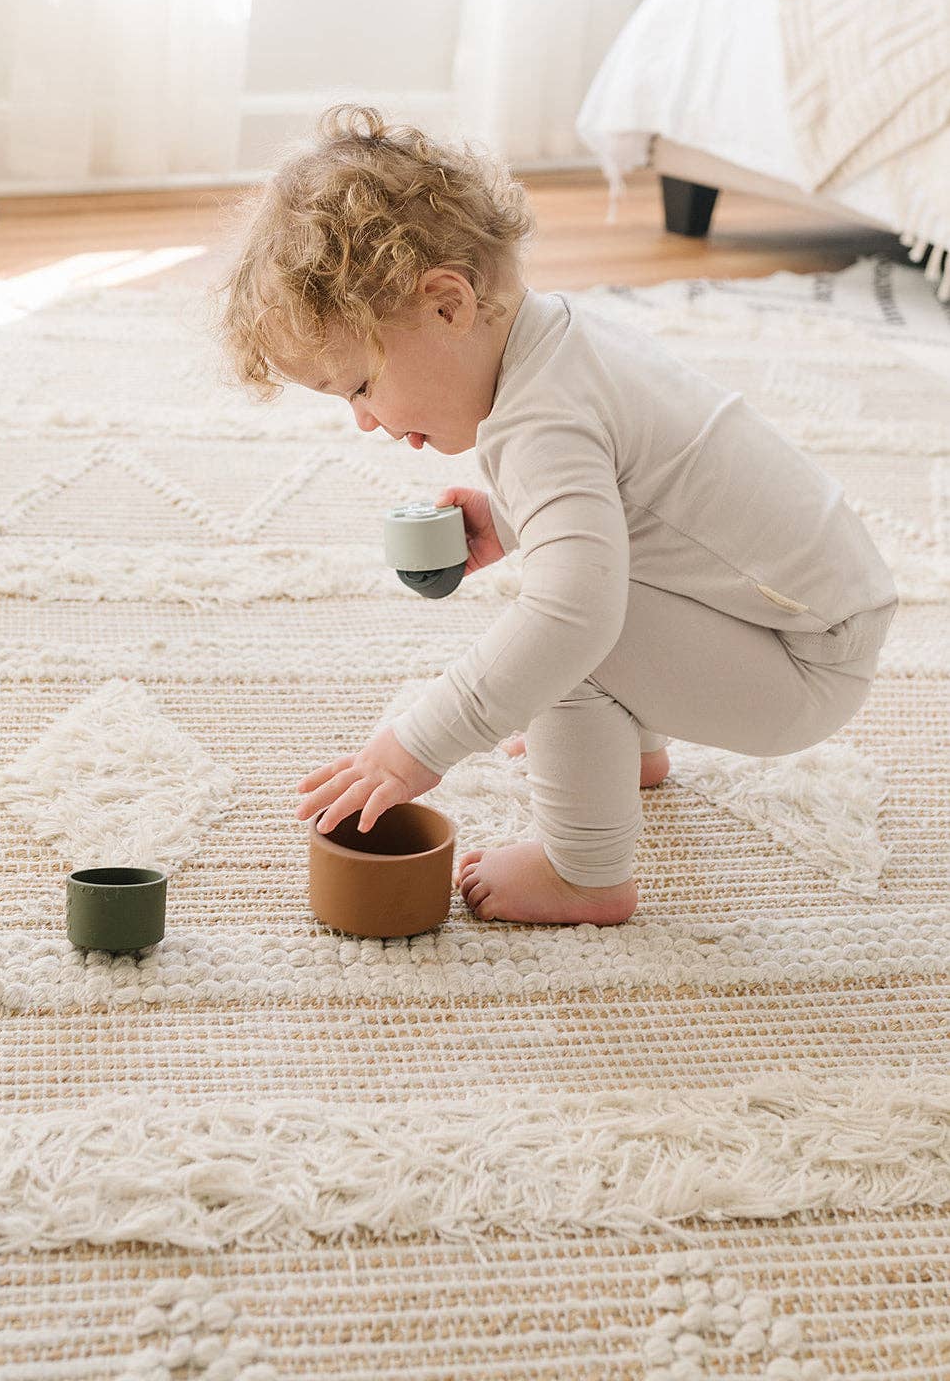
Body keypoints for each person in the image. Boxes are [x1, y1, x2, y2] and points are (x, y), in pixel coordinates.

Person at [212, 103, 898, 928]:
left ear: (447, 306)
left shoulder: (544, 422)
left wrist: (415, 743)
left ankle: (585, 873)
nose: (363, 418)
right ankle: (629, 749)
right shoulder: (555, 344)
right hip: (802, 616)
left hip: (800, 664)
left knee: (563, 638)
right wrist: (508, 517)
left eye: (359, 385)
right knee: (573, 587)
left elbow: (573, 616)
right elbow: (649, 502)